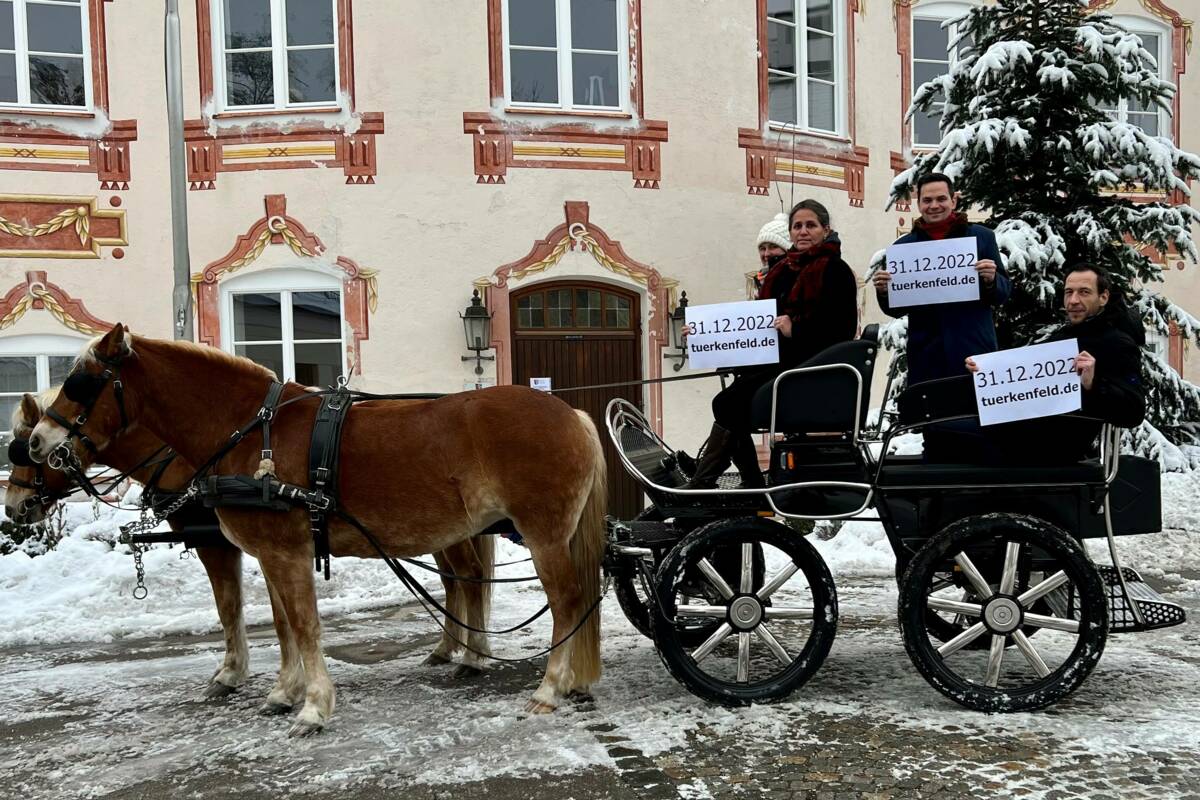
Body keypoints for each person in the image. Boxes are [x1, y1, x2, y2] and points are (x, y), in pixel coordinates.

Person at [687, 200, 859, 488]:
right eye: (797, 226)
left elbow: (841, 330)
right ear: (790, 232)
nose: (803, 231)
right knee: (726, 403)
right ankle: (746, 480)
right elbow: (756, 327)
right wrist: (703, 337)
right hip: (780, 363)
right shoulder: (784, 272)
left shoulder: (835, 270)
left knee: (729, 405)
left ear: (825, 229)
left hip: (809, 369)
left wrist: (796, 330)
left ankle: (708, 482)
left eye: (811, 225)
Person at [871, 172, 1012, 459]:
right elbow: (896, 309)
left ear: (954, 200)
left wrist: (990, 279)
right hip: (928, 358)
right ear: (918, 203)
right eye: (927, 200)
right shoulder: (903, 248)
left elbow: (1003, 293)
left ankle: (976, 499)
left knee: (978, 431)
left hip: (973, 353)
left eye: (940, 199)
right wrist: (885, 290)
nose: (934, 205)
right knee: (933, 433)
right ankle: (935, 501)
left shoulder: (981, 237)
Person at [966, 264, 1145, 464]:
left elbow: (1133, 412)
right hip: (1021, 432)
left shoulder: (1117, 344)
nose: (1074, 300)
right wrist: (986, 372)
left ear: (1103, 297)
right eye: (1069, 292)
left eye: (1084, 292)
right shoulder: (1063, 338)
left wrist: (1093, 384)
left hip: (1049, 449)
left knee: (945, 434)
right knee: (943, 431)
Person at [754, 212, 791, 293]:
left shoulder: (794, 279)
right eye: (762, 248)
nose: (766, 254)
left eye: (773, 247)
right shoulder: (760, 279)